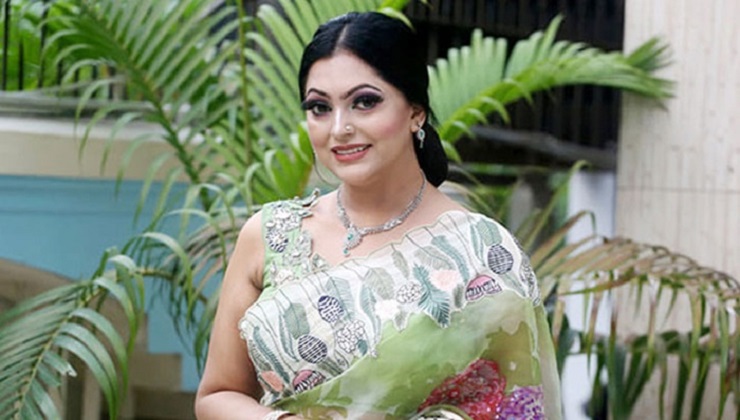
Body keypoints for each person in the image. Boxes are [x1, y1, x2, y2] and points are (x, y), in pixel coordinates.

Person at [195, 11, 561, 420]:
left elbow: (520, 408)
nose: (339, 128)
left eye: (364, 102)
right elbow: (217, 395)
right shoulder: (270, 236)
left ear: (415, 111)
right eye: (319, 107)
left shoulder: (483, 253)